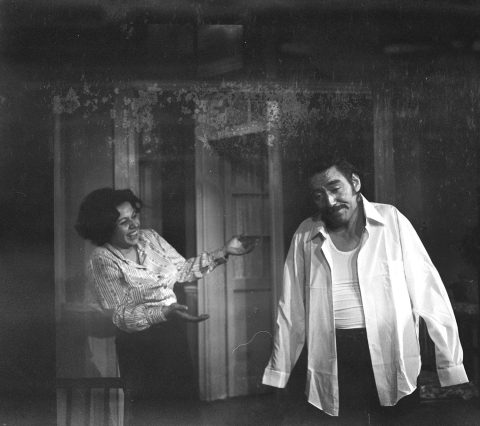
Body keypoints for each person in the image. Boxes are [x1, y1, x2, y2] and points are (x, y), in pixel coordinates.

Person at [262, 158, 468, 421]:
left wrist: (450, 364)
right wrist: (279, 372)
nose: (329, 201)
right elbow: (291, 309)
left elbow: (429, 291)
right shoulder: (305, 234)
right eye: (319, 195)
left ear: (355, 183)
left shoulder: (391, 220)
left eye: (335, 188)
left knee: (397, 419)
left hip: (391, 349)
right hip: (333, 354)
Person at [75, 188, 257, 423]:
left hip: (172, 333)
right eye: (123, 222)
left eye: (134, 216)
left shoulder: (150, 238)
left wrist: (224, 251)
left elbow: (182, 269)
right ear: (105, 227)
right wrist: (161, 312)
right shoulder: (101, 260)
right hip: (138, 344)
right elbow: (119, 315)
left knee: (184, 410)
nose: (134, 225)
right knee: (151, 415)